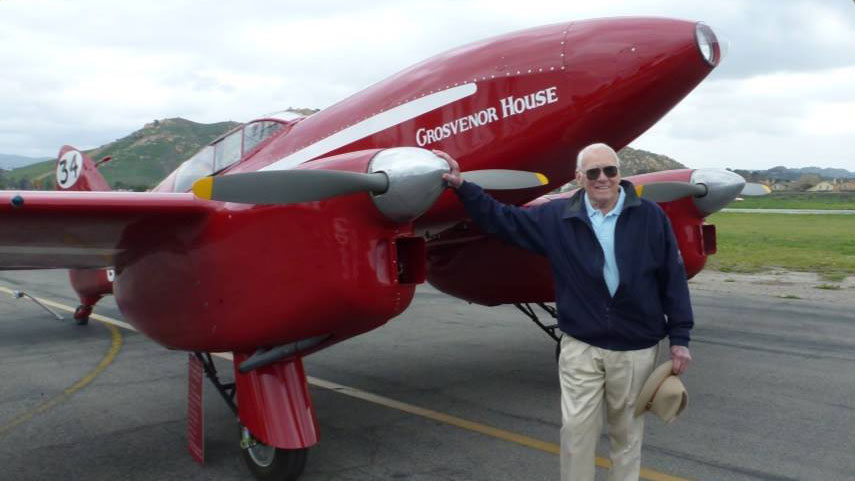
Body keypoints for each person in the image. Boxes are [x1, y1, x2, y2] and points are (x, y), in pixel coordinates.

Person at [435, 143, 693, 481]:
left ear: (620, 175)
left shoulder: (650, 216)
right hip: (581, 346)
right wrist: (463, 186)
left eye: (610, 171)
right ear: (579, 178)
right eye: (593, 172)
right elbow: (502, 220)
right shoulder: (557, 217)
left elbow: (672, 278)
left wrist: (680, 337)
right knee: (576, 432)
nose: (603, 178)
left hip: (635, 346)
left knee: (627, 435)